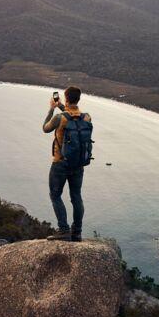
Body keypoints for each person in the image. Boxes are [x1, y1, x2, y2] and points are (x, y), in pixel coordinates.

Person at [42, 86, 92, 242]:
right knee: (76, 196)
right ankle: (77, 232)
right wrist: (62, 106)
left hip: (60, 164)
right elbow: (72, 117)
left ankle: (64, 230)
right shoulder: (86, 117)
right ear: (78, 99)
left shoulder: (59, 118)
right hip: (78, 165)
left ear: (67, 98)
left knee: (55, 195)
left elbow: (45, 128)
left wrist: (51, 109)